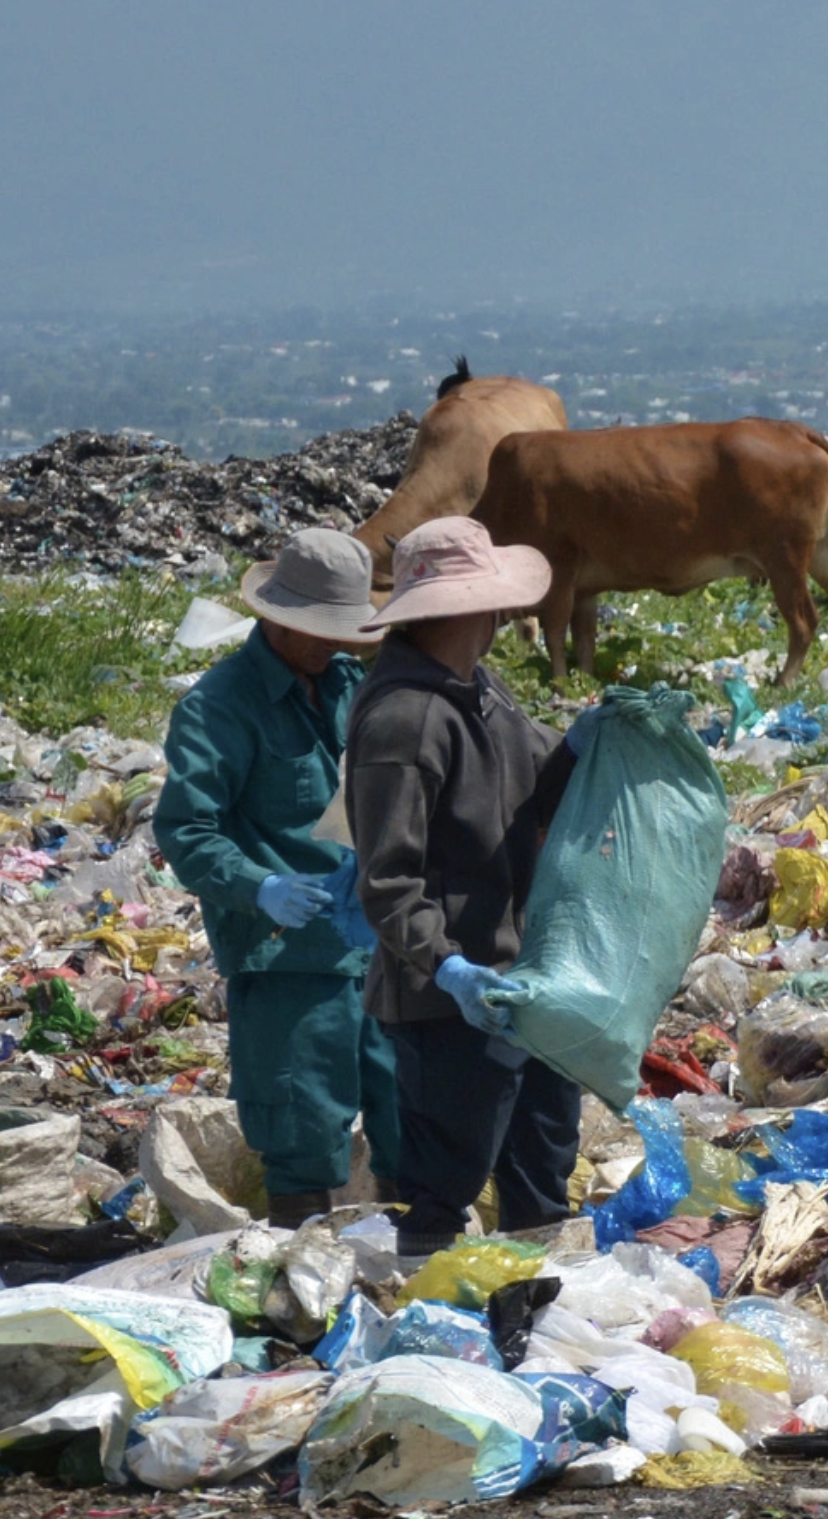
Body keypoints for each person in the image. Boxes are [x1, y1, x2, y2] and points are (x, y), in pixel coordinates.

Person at [346, 517, 599, 1259]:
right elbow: (389, 881)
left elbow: (536, 780)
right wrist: (451, 969)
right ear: (462, 609)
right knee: (444, 1182)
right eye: (490, 603)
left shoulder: (479, 689)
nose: (500, 616)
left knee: (542, 1166)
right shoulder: (403, 719)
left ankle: (537, 1313)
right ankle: (427, 1329)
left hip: (525, 981)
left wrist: (588, 742)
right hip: (449, 1000)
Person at [152, 529, 402, 1225]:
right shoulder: (219, 706)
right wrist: (259, 885)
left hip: (376, 947)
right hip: (287, 956)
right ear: (275, 616)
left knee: (408, 1118)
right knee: (302, 1131)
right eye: (319, 629)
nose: (335, 643)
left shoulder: (353, 687)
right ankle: (304, 1284)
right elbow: (186, 827)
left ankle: (408, 1265)